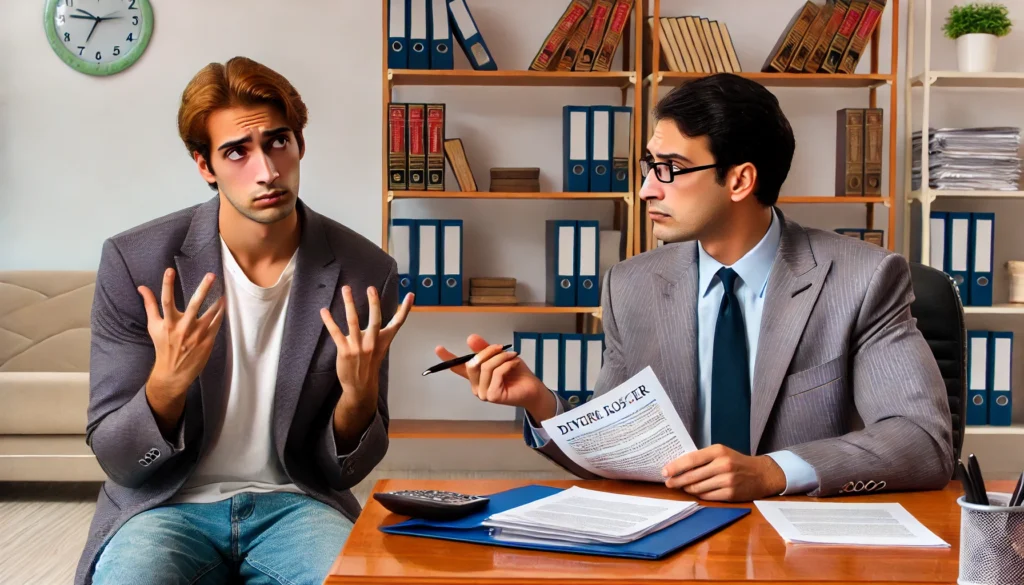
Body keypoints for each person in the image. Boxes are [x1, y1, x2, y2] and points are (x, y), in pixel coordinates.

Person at [435, 73, 954, 502]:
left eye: (671, 169)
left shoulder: (864, 278)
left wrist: (773, 472)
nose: (645, 189)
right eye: (649, 166)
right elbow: (618, 451)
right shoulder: (631, 286)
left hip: (803, 548)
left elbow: (922, 442)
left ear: (740, 181)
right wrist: (542, 405)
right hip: (670, 542)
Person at [75, 56, 414, 585]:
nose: (268, 171)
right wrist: (166, 385)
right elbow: (118, 460)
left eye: (278, 142)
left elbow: (345, 469)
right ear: (205, 165)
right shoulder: (136, 263)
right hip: (163, 506)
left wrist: (358, 398)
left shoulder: (365, 270)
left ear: (300, 143)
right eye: (237, 151)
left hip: (297, 504)